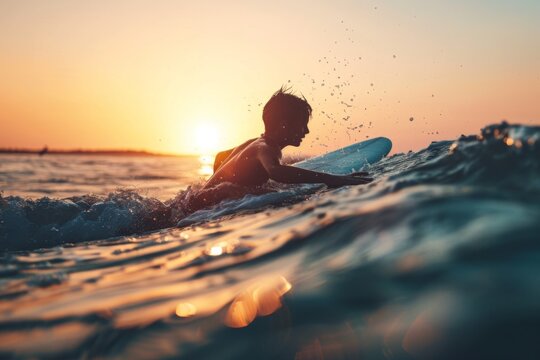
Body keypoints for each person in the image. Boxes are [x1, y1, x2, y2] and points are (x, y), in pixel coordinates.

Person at [203, 87, 372, 190]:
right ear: (284, 124)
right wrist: (333, 179)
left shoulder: (255, 143)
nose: (306, 131)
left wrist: (218, 185)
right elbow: (276, 172)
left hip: (195, 203)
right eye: (302, 124)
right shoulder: (267, 148)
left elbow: (220, 157)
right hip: (200, 211)